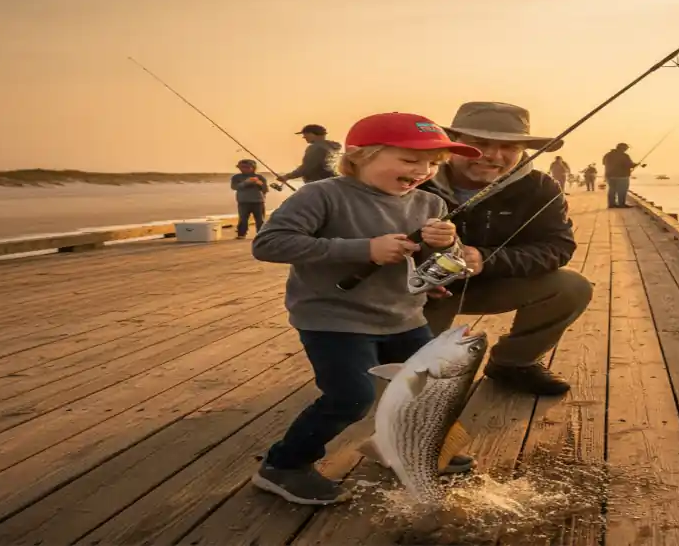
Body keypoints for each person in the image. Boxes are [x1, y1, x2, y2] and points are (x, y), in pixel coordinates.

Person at [249, 112, 483, 506]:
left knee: (428, 392)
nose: (421, 170)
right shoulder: (321, 195)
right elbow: (270, 243)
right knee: (351, 397)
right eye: (409, 160)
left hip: (404, 316)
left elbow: (430, 262)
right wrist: (364, 249)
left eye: (431, 163)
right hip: (332, 318)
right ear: (360, 156)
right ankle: (283, 466)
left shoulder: (429, 202)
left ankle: (409, 449)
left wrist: (444, 249)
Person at [419, 101, 593, 396]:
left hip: (494, 281)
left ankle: (514, 363)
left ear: (523, 151)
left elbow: (558, 246)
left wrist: (487, 259)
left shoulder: (541, 187)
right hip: (420, 292)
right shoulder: (414, 179)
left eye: (509, 147)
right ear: (454, 144)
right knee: (402, 374)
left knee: (572, 286)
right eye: (479, 143)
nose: (493, 156)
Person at [276, 124, 343, 185]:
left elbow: (306, 168)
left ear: (312, 134)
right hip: (332, 183)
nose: (304, 137)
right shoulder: (333, 148)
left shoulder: (316, 148)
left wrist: (287, 177)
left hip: (318, 185)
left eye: (305, 134)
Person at [230, 159, 269, 239]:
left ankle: (261, 234)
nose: (243, 169)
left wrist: (260, 184)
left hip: (258, 201)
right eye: (241, 167)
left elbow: (265, 189)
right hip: (243, 201)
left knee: (260, 219)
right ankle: (241, 234)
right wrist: (246, 182)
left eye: (246, 167)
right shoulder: (236, 177)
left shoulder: (260, 177)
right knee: (243, 219)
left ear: (253, 167)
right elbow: (234, 187)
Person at [601, 142, 639, 208]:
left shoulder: (607, 155)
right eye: (626, 148)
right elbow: (629, 165)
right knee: (622, 190)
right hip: (622, 176)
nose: (626, 149)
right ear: (622, 148)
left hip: (609, 175)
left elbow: (604, 163)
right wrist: (636, 164)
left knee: (612, 190)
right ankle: (621, 204)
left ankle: (611, 204)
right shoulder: (624, 156)